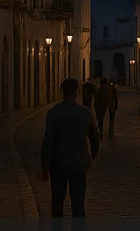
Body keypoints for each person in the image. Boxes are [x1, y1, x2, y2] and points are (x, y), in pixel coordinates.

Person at [40, 78, 101, 218]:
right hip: (79, 163)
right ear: (76, 92)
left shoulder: (53, 113)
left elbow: (48, 141)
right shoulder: (85, 113)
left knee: (57, 204)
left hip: (58, 164)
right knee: (78, 205)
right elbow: (95, 138)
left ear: (62, 92)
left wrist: (45, 166)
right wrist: (92, 156)